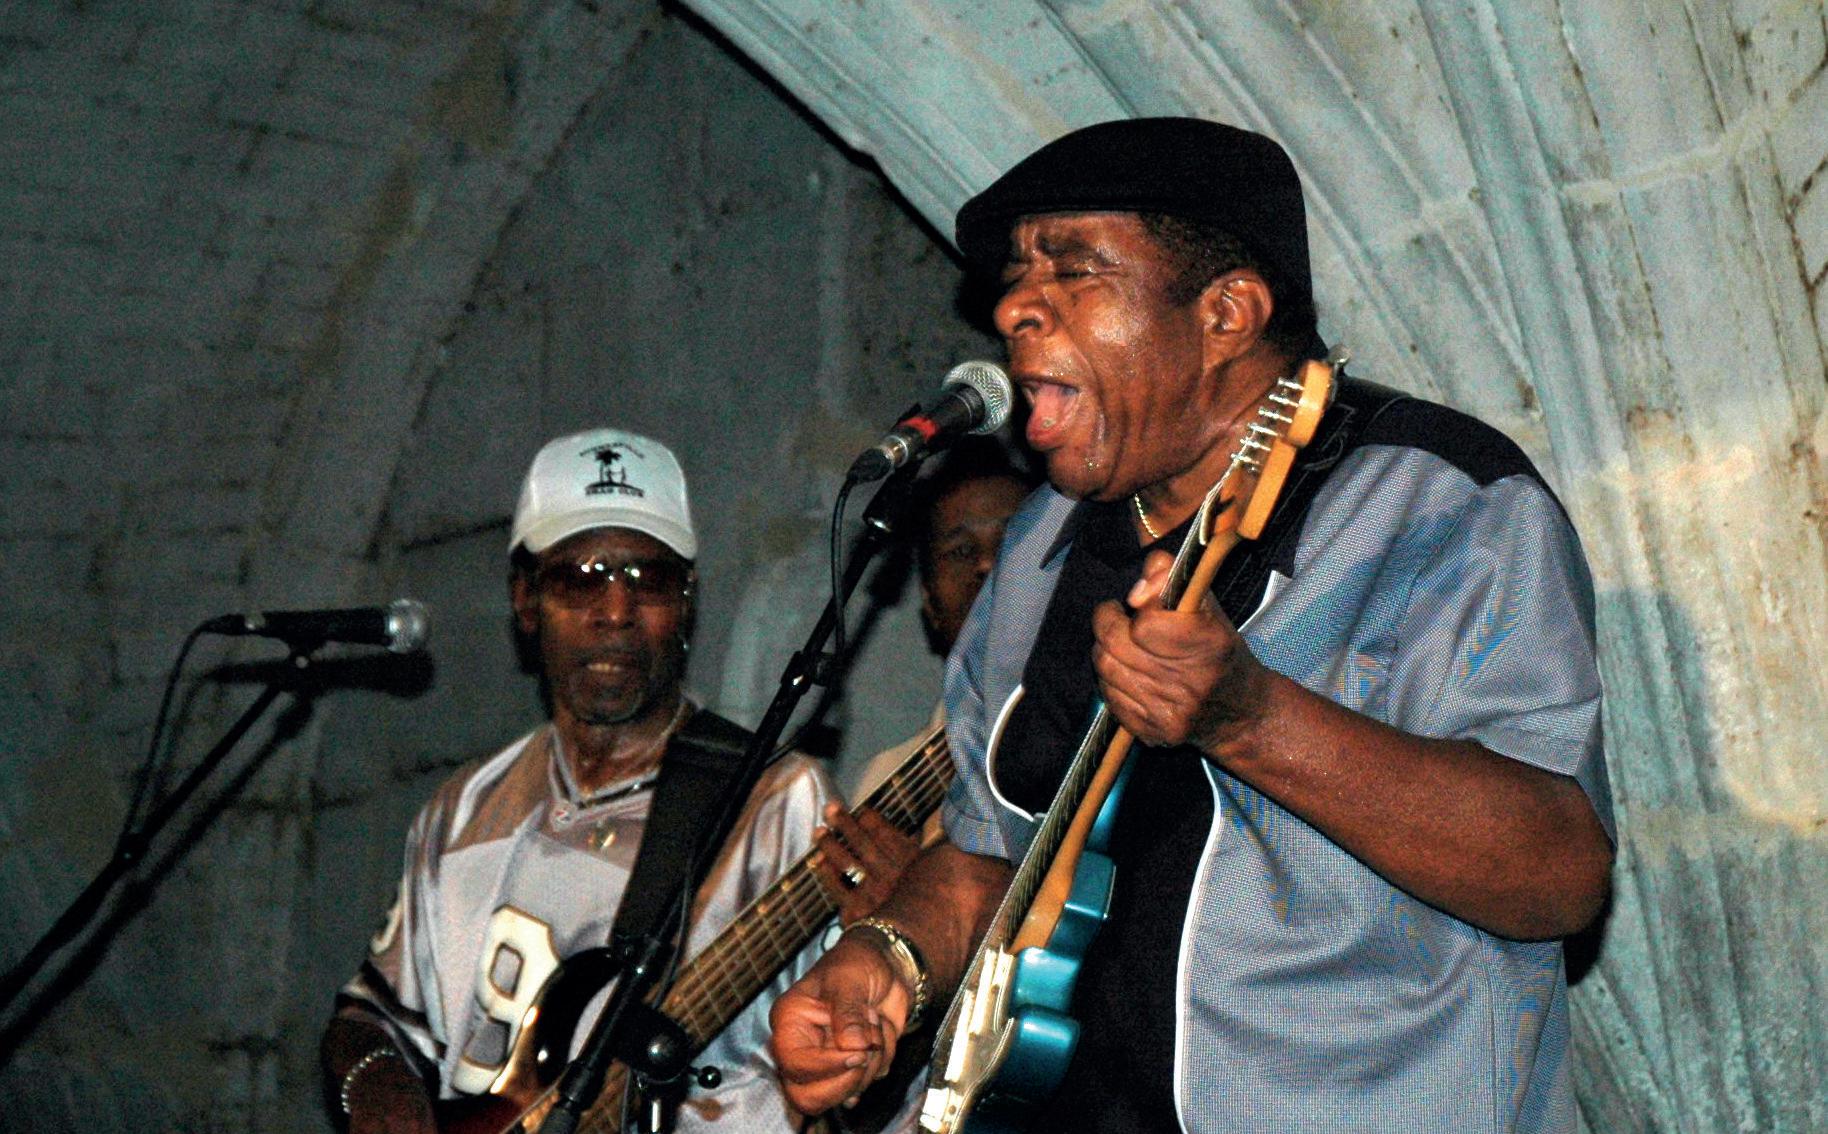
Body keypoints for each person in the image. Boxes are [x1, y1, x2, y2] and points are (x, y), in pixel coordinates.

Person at [769, 117, 1616, 1132]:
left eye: (1072, 269)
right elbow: (989, 854)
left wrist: (1250, 719)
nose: (1012, 307)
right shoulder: (1039, 545)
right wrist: (887, 961)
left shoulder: (1438, 505)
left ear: (1227, 314)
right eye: (1016, 275)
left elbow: (1559, 871)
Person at [322, 428, 839, 1133]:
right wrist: (378, 1085)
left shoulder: (776, 800)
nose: (616, 612)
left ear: (686, 604)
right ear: (525, 600)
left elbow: (852, 1065)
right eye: (580, 578)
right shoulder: (464, 809)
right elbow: (373, 1017)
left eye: (647, 579)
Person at [802, 439, 1036, 1133]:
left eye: (1014, 541)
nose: (989, 566)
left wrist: (933, 908)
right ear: (929, 605)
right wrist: (881, 940)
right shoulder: (888, 781)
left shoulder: (1108, 739)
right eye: (961, 552)